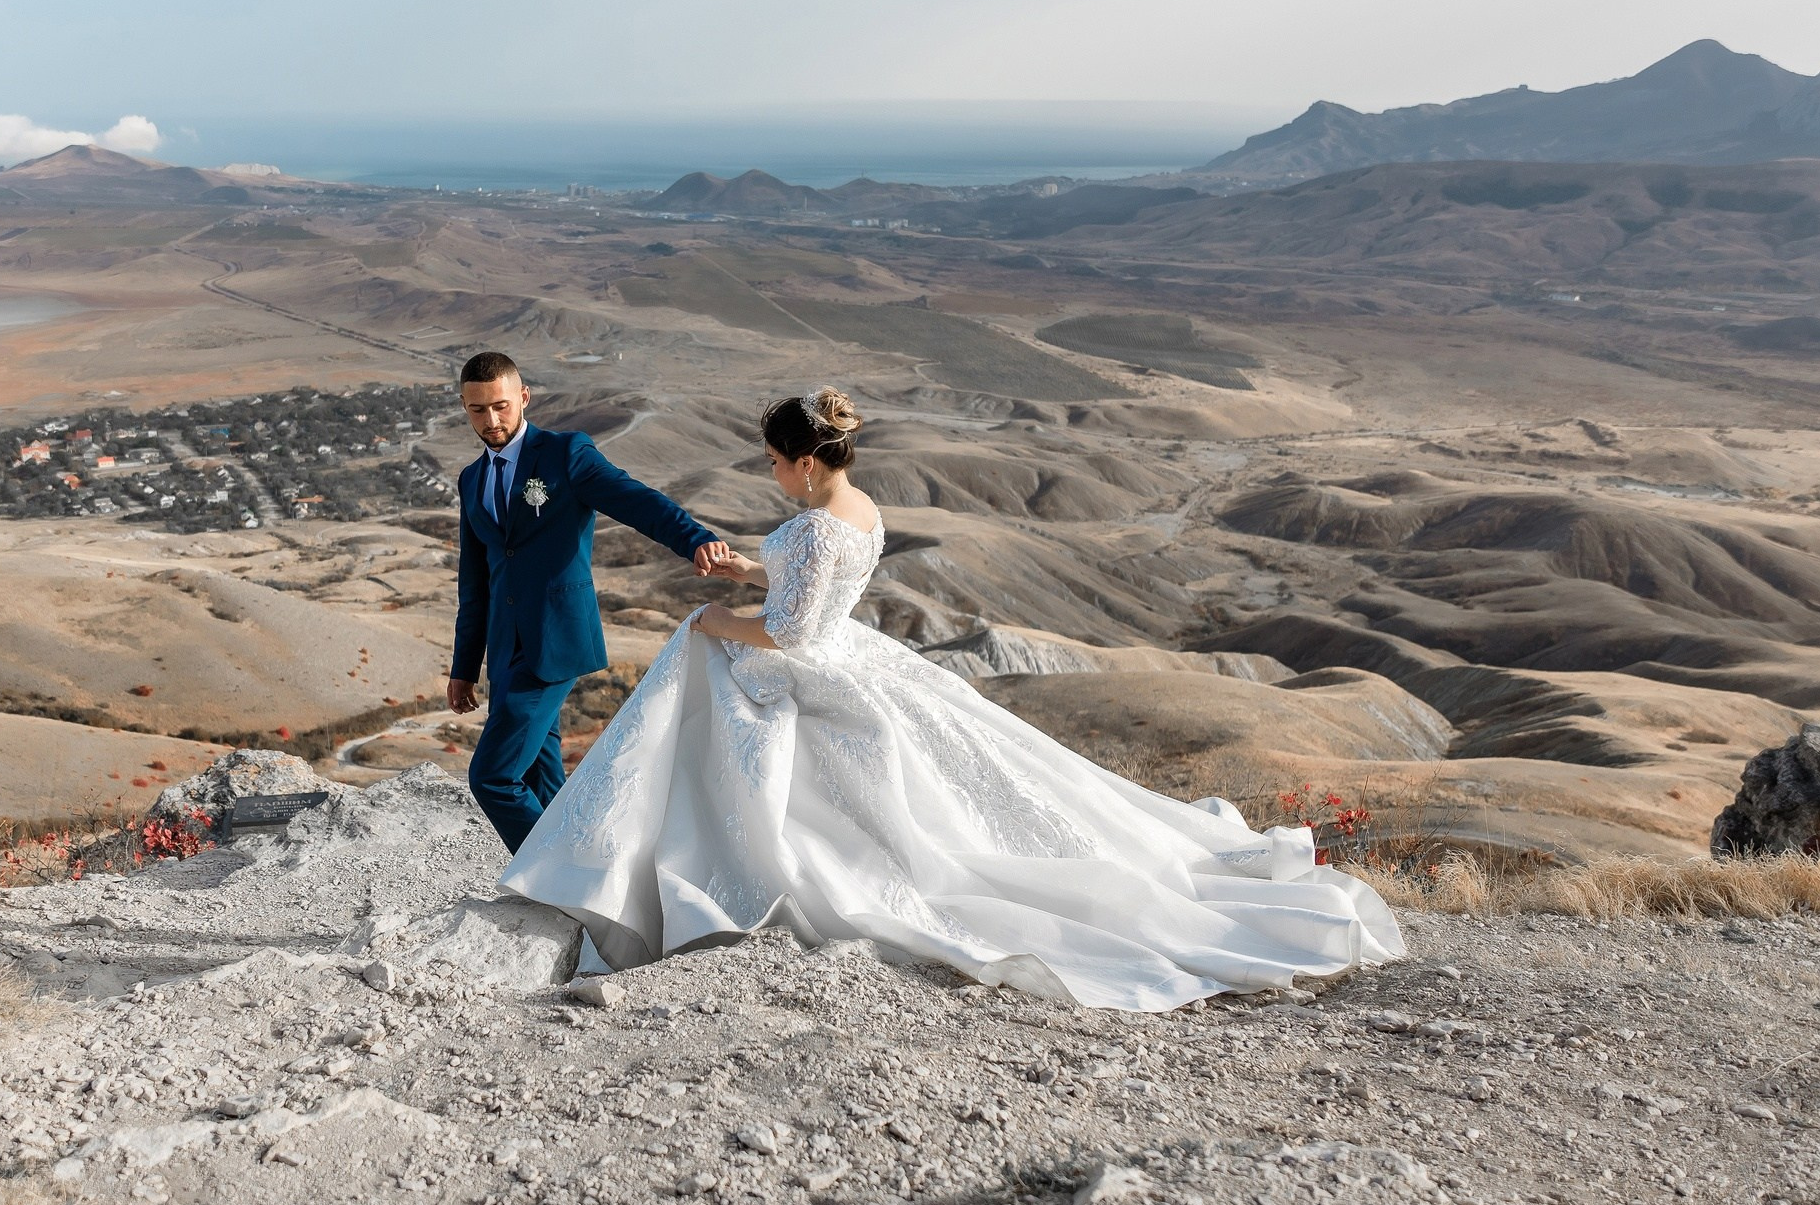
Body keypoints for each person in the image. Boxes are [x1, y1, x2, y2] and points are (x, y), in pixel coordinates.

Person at [498, 386, 1403, 1012]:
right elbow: (805, 576)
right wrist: (746, 567)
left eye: (777, 463)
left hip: (811, 668)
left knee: (710, 701)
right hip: (852, 647)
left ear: (808, 464)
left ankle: (646, 878)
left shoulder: (815, 524)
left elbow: (791, 633)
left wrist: (712, 619)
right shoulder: (857, 511)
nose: (772, 476)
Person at [447, 351, 734, 851]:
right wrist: (464, 666)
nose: (490, 421)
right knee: (542, 779)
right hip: (505, 651)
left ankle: (554, 878)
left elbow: (635, 499)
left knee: (492, 777)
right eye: (477, 410)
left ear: (524, 398)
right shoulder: (471, 479)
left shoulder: (565, 454)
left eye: (500, 406)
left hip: (554, 639)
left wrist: (695, 538)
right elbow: (475, 583)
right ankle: (584, 872)